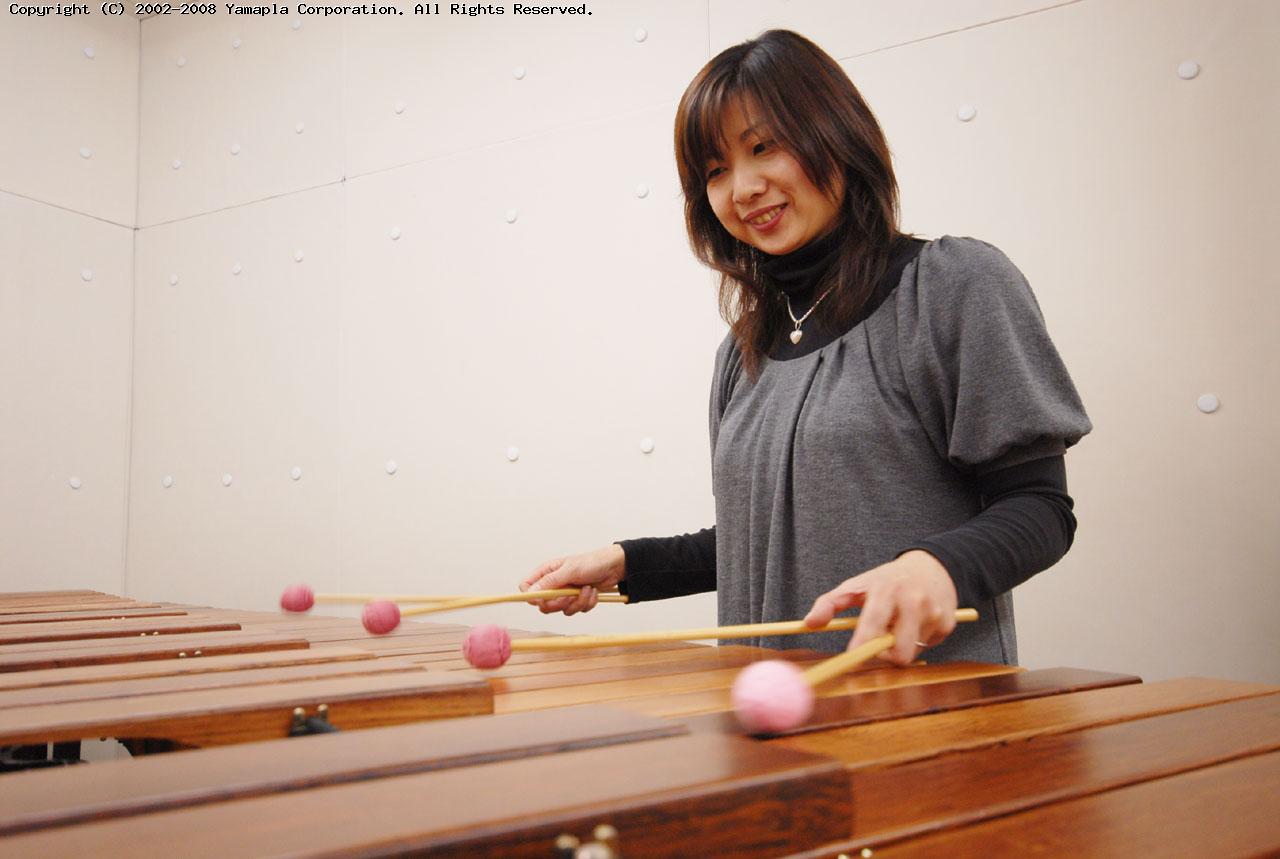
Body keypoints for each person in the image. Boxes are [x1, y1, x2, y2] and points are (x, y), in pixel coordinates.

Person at [520, 29, 1091, 667]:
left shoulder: (953, 286)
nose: (742, 188)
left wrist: (936, 567)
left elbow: (1040, 508)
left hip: (925, 702)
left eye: (763, 147)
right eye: (715, 171)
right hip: (769, 708)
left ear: (835, 134)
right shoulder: (741, 355)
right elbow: (765, 542)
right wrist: (628, 563)